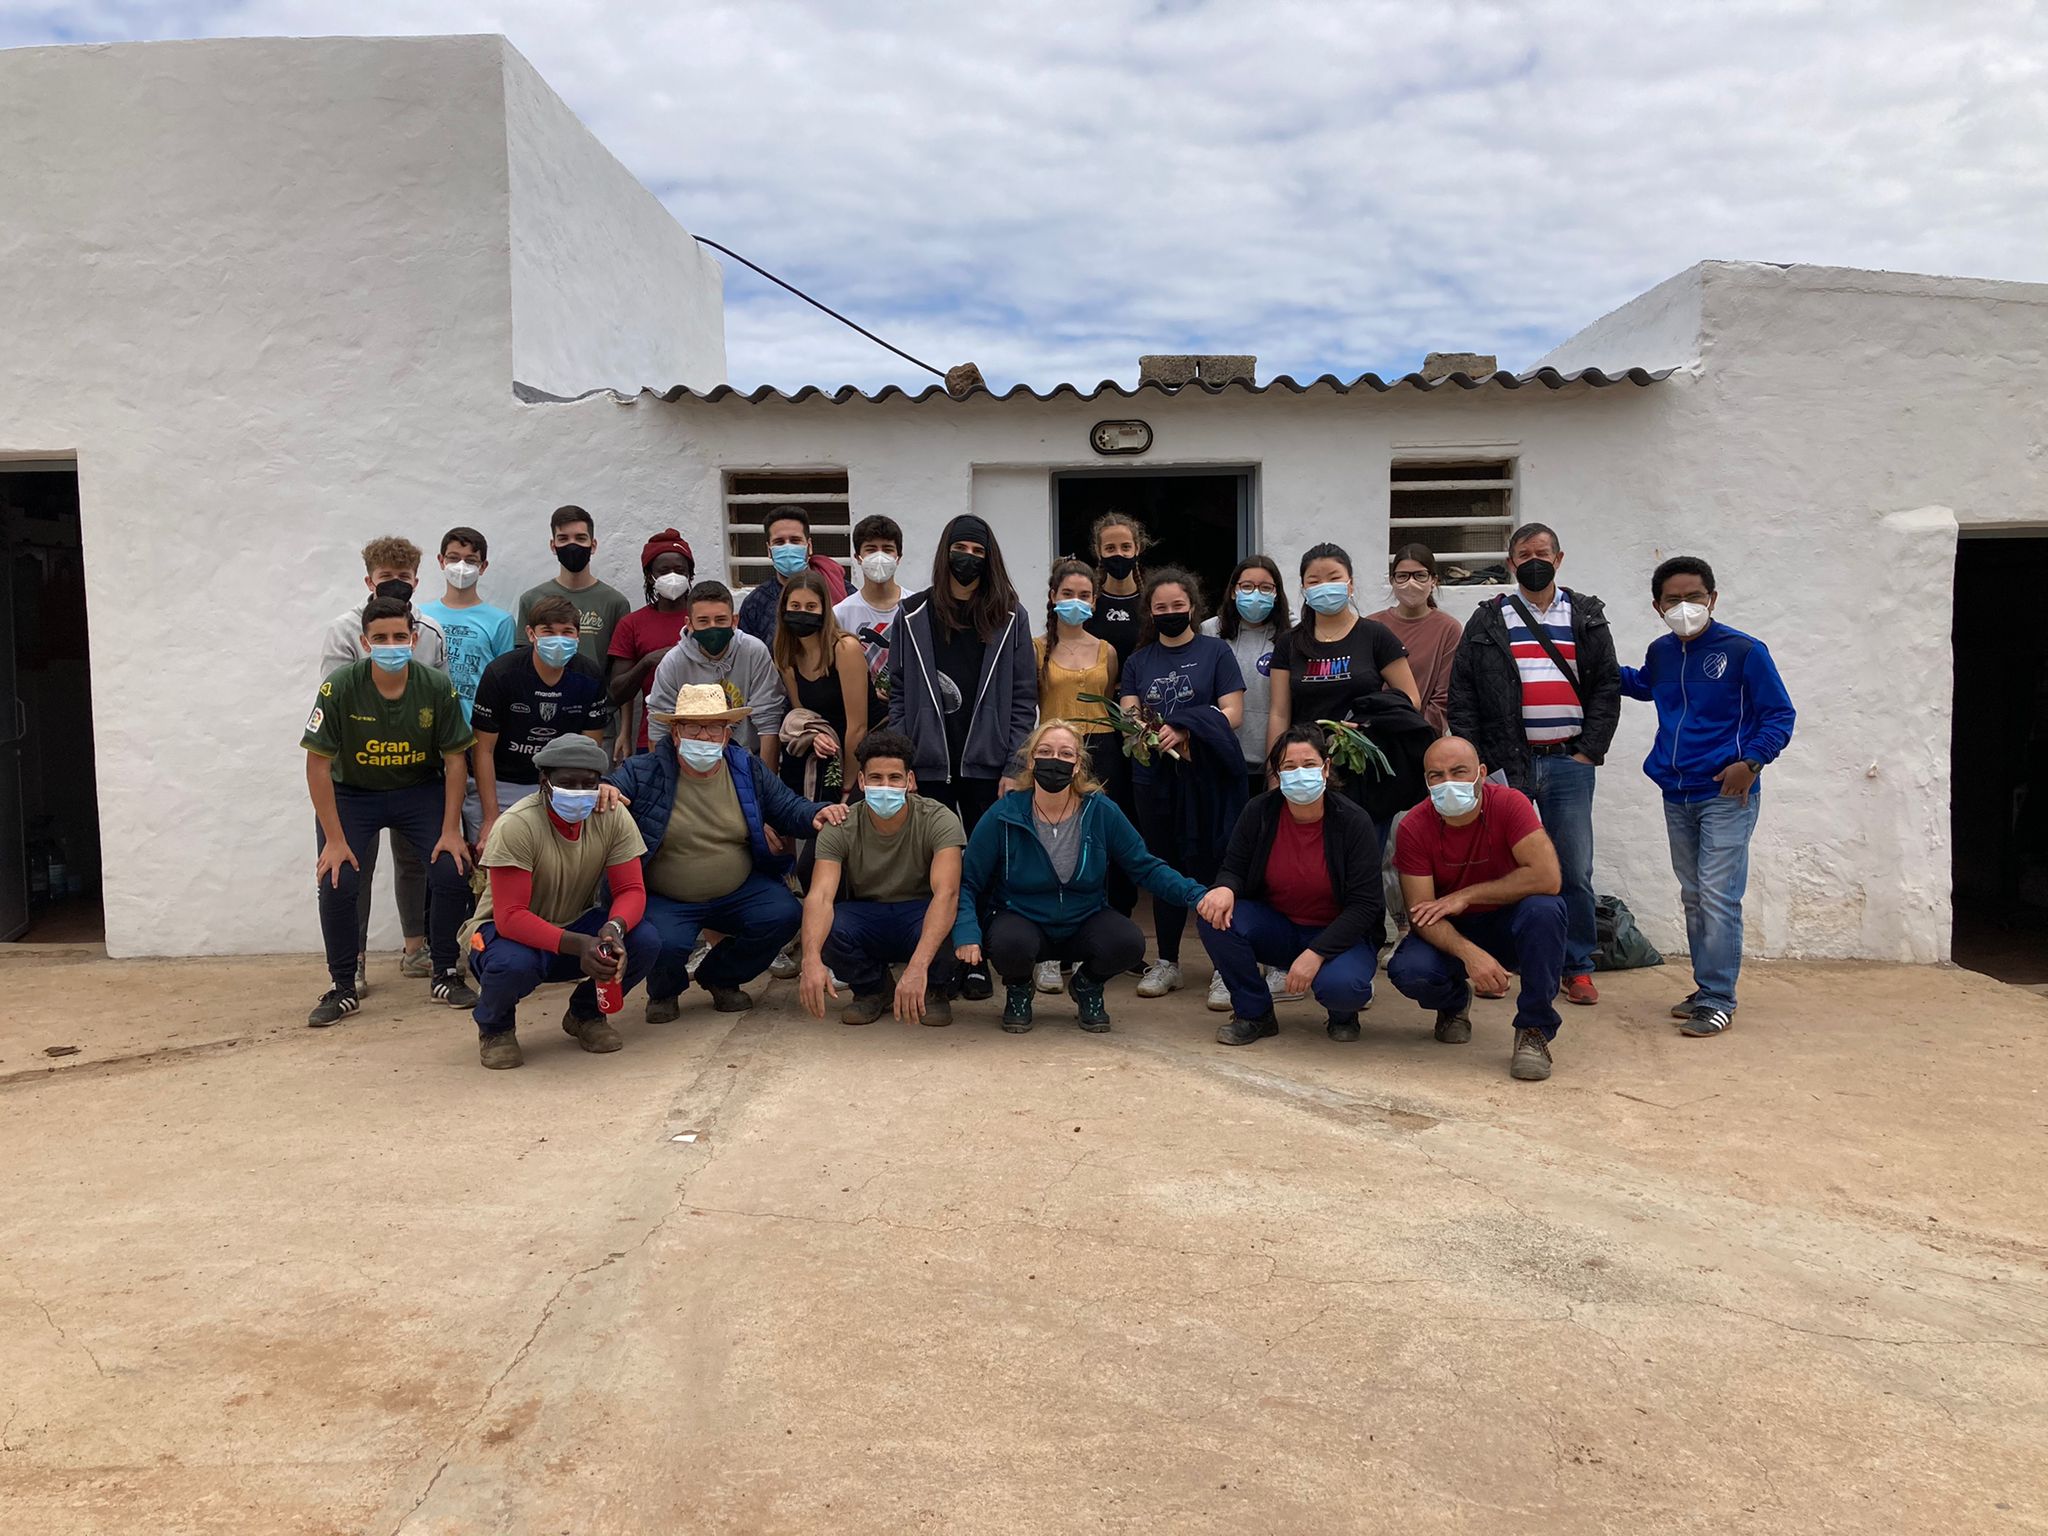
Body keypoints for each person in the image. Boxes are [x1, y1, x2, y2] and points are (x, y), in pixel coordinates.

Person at [1620, 556, 1796, 1037]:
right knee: (1696, 896)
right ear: (1657, 606)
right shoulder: (1662, 652)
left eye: (1694, 596)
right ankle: (1705, 989)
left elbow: (1779, 714)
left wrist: (1752, 762)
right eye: (1673, 599)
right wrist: (1587, 661)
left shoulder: (1744, 651)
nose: (1685, 607)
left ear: (1712, 598)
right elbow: (1642, 684)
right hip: (1677, 792)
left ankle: (1719, 998)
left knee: (1718, 895)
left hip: (1726, 792)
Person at [1446, 522, 1620, 1008]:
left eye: (1542, 553)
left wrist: (1589, 750)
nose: (1534, 562)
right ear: (1510, 563)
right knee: (1504, 865)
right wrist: (1476, 761)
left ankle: (1576, 966)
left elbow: (1606, 685)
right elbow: (1463, 694)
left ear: (1559, 559)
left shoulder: (1586, 615)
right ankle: (1502, 960)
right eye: (1524, 555)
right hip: (1506, 765)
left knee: (1573, 868)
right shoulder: (1488, 619)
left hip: (1568, 763)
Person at [606, 683, 847, 1018]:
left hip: (738, 889)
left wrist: (817, 813)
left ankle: (721, 977)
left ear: (727, 734)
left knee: (783, 915)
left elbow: (788, 807)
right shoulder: (643, 770)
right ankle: (663, 992)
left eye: (714, 727)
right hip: (667, 896)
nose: (704, 736)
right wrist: (602, 790)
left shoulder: (747, 767)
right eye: (693, 727)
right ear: (675, 733)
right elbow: (610, 789)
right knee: (660, 941)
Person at [954, 721, 1208, 1034]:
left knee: (1127, 942)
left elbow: (1145, 867)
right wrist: (967, 931)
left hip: (1084, 918)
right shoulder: (1004, 813)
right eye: (1045, 752)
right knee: (1009, 944)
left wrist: (1197, 895)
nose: (1055, 760)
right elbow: (969, 881)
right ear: (1031, 761)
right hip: (1021, 918)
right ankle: (1018, 988)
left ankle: (1087, 985)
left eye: (1065, 754)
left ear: (1077, 766)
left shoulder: (1101, 810)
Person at [302, 595, 478, 1026]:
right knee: (338, 879)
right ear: (365, 643)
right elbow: (317, 764)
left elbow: (456, 759)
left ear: (414, 639)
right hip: (353, 795)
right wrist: (335, 840)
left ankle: (445, 973)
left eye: (400, 636)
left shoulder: (436, 687)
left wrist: (451, 830)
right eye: (380, 638)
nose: (391, 645)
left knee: (452, 868)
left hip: (418, 792)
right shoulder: (339, 687)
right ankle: (343, 986)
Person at [887, 514, 1036, 998]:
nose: (967, 559)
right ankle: (942, 961)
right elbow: (898, 694)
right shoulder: (912, 614)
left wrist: (1014, 765)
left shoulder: (1010, 615)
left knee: (987, 868)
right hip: (927, 764)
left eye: (978, 551)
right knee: (933, 867)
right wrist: (903, 761)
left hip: (987, 768)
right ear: (944, 552)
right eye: (960, 549)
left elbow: (1023, 700)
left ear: (989, 559)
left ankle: (980, 962)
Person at [460, 734, 660, 1070]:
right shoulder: (517, 825)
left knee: (644, 940)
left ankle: (586, 1014)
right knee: (511, 965)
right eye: (567, 783)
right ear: (545, 782)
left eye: (588, 784)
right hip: (504, 934)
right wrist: (580, 944)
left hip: (573, 923)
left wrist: (614, 928)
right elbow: (510, 916)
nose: (579, 792)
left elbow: (631, 890)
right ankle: (496, 1028)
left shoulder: (612, 816)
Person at [1388, 736, 1567, 1082]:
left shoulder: (1510, 804)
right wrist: (1470, 955)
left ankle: (1534, 1030)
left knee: (1545, 910)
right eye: (1436, 775)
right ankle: (1454, 1003)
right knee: (1409, 970)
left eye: (1459, 772)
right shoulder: (1413, 826)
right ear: (1426, 781)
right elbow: (1421, 914)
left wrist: (1467, 895)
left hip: (1510, 922)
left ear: (1481, 773)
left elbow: (1548, 878)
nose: (1448, 782)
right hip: (1451, 929)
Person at [316, 536, 448, 992]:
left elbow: (439, 696)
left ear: (417, 580)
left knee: (415, 862)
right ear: (369, 580)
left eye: (404, 577)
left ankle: (416, 949)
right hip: (357, 772)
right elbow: (337, 697)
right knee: (354, 867)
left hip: (415, 771)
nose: (396, 584)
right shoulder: (344, 629)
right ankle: (353, 960)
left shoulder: (430, 630)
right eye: (386, 577)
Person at [1196, 727, 1385, 1045]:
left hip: (1340, 934)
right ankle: (1254, 1013)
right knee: (1214, 916)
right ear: (1277, 773)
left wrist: (1316, 953)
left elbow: (1366, 905)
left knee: (1344, 987)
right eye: (1289, 766)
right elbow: (1234, 868)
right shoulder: (1259, 812)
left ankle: (1343, 1014)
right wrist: (1225, 887)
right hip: (1280, 927)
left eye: (1309, 765)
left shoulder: (1353, 821)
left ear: (1326, 767)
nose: (1300, 773)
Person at [1118, 567, 1247, 1001]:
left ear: (1192, 607)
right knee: (1163, 866)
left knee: (1213, 866)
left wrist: (1187, 727)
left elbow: (1233, 713)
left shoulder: (1216, 652)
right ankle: (1168, 962)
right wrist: (1149, 731)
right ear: (1150, 612)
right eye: (1161, 607)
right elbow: (1129, 714)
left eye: (1178, 605)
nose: (1170, 612)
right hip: (1154, 780)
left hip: (1207, 777)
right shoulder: (1138, 661)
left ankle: (1224, 966)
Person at [798, 729, 966, 1027]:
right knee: (828, 928)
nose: (885, 786)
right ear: (862, 781)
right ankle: (872, 989)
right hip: (868, 913)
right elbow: (820, 896)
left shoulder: (938, 819)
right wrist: (810, 959)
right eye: (876, 778)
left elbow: (947, 893)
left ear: (910, 781)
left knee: (954, 918)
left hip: (919, 911)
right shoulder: (841, 825)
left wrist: (917, 967)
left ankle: (933, 990)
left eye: (894, 778)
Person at [1031, 557, 1128, 992]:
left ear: (1095, 600)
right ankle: (1050, 953)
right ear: (1053, 597)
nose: (1076, 601)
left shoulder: (1107, 650)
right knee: (1054, 842)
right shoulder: (1036, 648)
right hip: (1055, 753)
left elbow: (1109, 699)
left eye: (1085, 595)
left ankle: (1094, 940)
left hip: (1102, 751)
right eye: (1067, 594)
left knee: (1095, 845)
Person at [469, 596, 612, 847]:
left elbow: (590, 751)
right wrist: (491, 818)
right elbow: (483, 749)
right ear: (530, 633)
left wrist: (575, 798)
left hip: (562, 784)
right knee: (492, 855)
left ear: (578, 636)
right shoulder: (501, 674)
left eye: (567, 632)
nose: (558, 639)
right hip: (503, 782)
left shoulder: (589, 676)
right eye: (548, 631)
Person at [1267, 542, 1421, 752]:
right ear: (1304, 589)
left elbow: (1411, 699)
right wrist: (1274, 764)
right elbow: (1279, 713)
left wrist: (1371, 724)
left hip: (1364, 756)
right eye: (1314, 581)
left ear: (1350, 584)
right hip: (1307, 761)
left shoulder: (1376, 635)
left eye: (1334, 578)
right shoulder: (1288, 642)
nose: (1324, 586)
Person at [645, 581, 787, 771]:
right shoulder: (673, 663)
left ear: (734, 621)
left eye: (720, 620)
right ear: (689, 624)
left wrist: (765, 782)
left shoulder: (754, 652)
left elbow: (769, 722)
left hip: (746, 761)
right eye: (703, 621)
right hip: (690, 764)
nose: (712, 627)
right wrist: (664, 779)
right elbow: (658, 728)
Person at [773, 570, 876, 803]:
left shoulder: (844, 649)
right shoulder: (786, 655)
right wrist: (813, 736)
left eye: (811, 607)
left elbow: (858, 726)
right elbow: (803, 715)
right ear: (784, 609)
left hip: (860, 747)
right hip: (825, 747)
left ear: (824, 610)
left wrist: (847, 788)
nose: (802, 613)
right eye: (795, 606)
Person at [1202, 555, 1291, 802]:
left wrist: (1276, 767)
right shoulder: (1209, 631)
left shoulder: (1292, 634)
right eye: (1247, 586)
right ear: (1233, 591)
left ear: (1277, 593)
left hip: (1270, 761)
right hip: (1220, 757)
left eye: (1266, 588)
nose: (1256, 594)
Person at [606, 529, 695, 758]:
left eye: (680, 571)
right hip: (653, 739)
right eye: (663, 571)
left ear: (690, 575)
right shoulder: (632, 624)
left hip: (705, 737)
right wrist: (646, 662)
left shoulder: (705, 618)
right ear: (649, 576)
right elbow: (617, 692)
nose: (673, 577)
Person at [415, 525, 516, 724]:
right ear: (441, 561)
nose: (461, 566)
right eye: (453, 558)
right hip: (425, 726)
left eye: (471, 560)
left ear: (483, 566)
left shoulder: (501, 621)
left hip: (474, 727)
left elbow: (505, 683)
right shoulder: (420, 615)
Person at [517, 505, 631, 668]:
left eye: (580, 538)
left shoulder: (615, 603)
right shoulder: (531, 599)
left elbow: (619, 667)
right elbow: (523, 660)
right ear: (553, 546)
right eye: (563, 539)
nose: (572, 545)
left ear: (593, 545)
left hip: (595, 685)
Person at [1367, 544, 1463, 735]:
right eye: (1403, 576)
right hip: (1371, 736)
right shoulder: (1371, 625)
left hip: (1422, 736)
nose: (1411, 583)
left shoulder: (1448, 629)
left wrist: (1419, 732)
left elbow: (1444, 697)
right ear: (1392, 580)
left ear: (1433, 580)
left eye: (1420, 575)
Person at [737, 504, 850, 645]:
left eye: (795, 541)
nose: (788, 547)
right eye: (779, 542)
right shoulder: (755, 604)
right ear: (769, 550)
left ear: (809, 546)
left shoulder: (842, 590)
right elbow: (749, 653)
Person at [833, 514, 904, 684]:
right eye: (871, 549)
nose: (879, 557)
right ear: (858, 557)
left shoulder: (917, 607)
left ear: (898, 558)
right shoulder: (840, 614)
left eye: (887, 549)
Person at [1083, 511, 1148, 669]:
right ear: (1099, 551)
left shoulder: (1151, 602)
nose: (1119, 554)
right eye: (1110, 548)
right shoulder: (1088, 603)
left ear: (1137, 548)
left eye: (1126, 547)